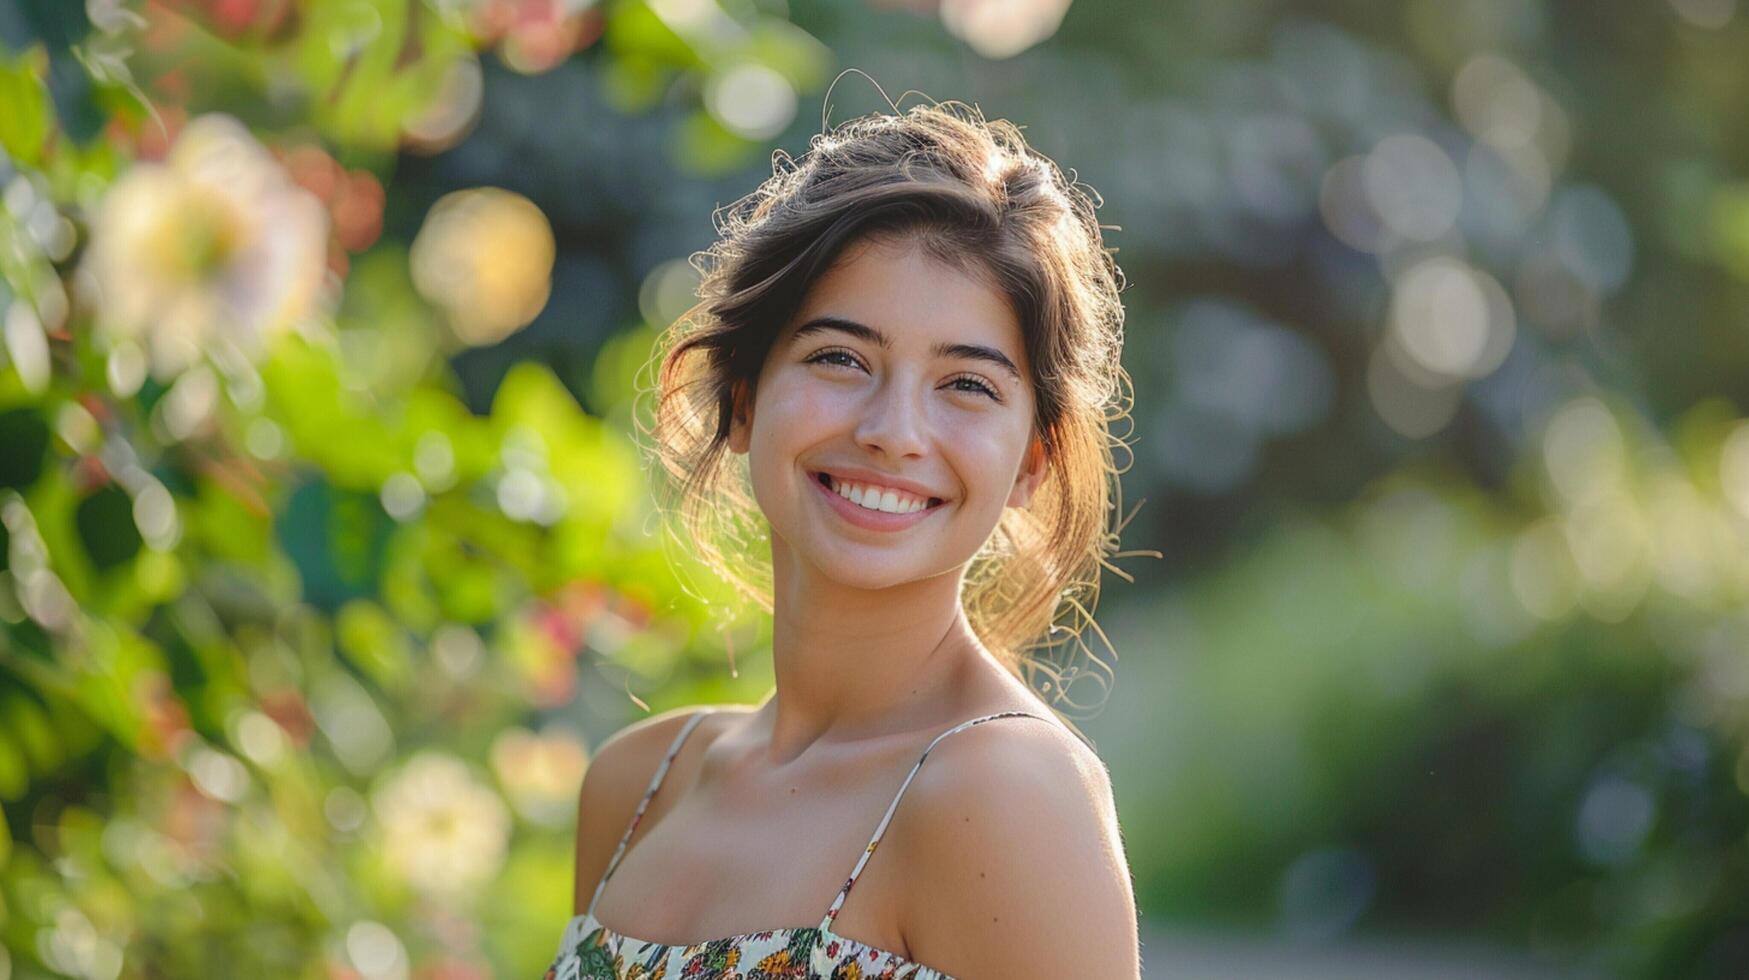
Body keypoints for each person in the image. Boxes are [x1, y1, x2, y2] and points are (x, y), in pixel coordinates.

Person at [545, 98, 1142, 980]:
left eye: (966, 385)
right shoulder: (637, 784)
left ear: (1031, 462)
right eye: (840, 358)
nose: (894, 432)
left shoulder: (1005, 791)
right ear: (743, 396)